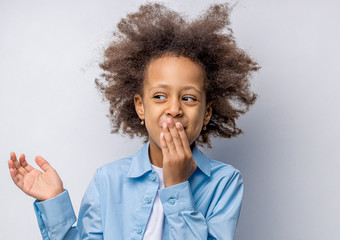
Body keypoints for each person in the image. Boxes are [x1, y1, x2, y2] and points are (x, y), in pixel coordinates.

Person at [8, 2, 259, 239]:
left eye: (189, 98)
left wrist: (176, 186)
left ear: (206, 113)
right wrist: (53, 200)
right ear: (140, 106)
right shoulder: (107, 179)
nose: (174, 109)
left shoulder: (225, 182)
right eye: (160, 96)